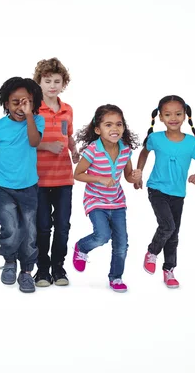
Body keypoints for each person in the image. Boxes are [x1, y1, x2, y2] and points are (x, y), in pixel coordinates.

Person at [0, 77, 45, 293]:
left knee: (29, 229)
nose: (20, 106)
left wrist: (29, 116)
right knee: (10, 227)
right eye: (15, 101)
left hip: (28, 185)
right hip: (3, 185)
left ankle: (26, 271)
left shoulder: (37, 121)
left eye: (26, 102)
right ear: (6, 103)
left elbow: (35, 142)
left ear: (33, 104)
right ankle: (9, 261)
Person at [135, 95, 195, 289]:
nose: (173, 118)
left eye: (178, 114)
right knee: (167, 226)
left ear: (185, 116)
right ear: (160, 117)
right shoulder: (155, 138)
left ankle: (169, 270)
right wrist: (139, 171)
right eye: (167, 114)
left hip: (178, 193)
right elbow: (144, 152)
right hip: (157, 188)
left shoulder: (192, 143)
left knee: (174, 233)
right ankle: (152, 252)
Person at [72, 104, 140, 292]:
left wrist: (135, 178)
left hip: (117, 202)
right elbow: (77, 174)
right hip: (95, 201)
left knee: (121, 243)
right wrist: (99, 179)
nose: (114, 129)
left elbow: (127, 176)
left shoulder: (125, 150)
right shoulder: (93, 150)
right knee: (102, 236)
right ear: (97, 129)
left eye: (119, 124)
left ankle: (116, 277)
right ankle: (82, 247)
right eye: (108, 125)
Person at [32, 57, 80, 287]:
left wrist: (76, 151)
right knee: (42, 227)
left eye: (57, 81)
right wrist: (47, 146)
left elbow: (67, 136)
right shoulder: (33, 109)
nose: (52, 85)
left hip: (64, 178)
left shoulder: (67, 110)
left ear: (63, 84)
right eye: (47, 80)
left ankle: (58, 269)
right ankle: (41, 270)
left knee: (62, 226)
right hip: (38, 179)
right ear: (39, 82)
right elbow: (27, 141)